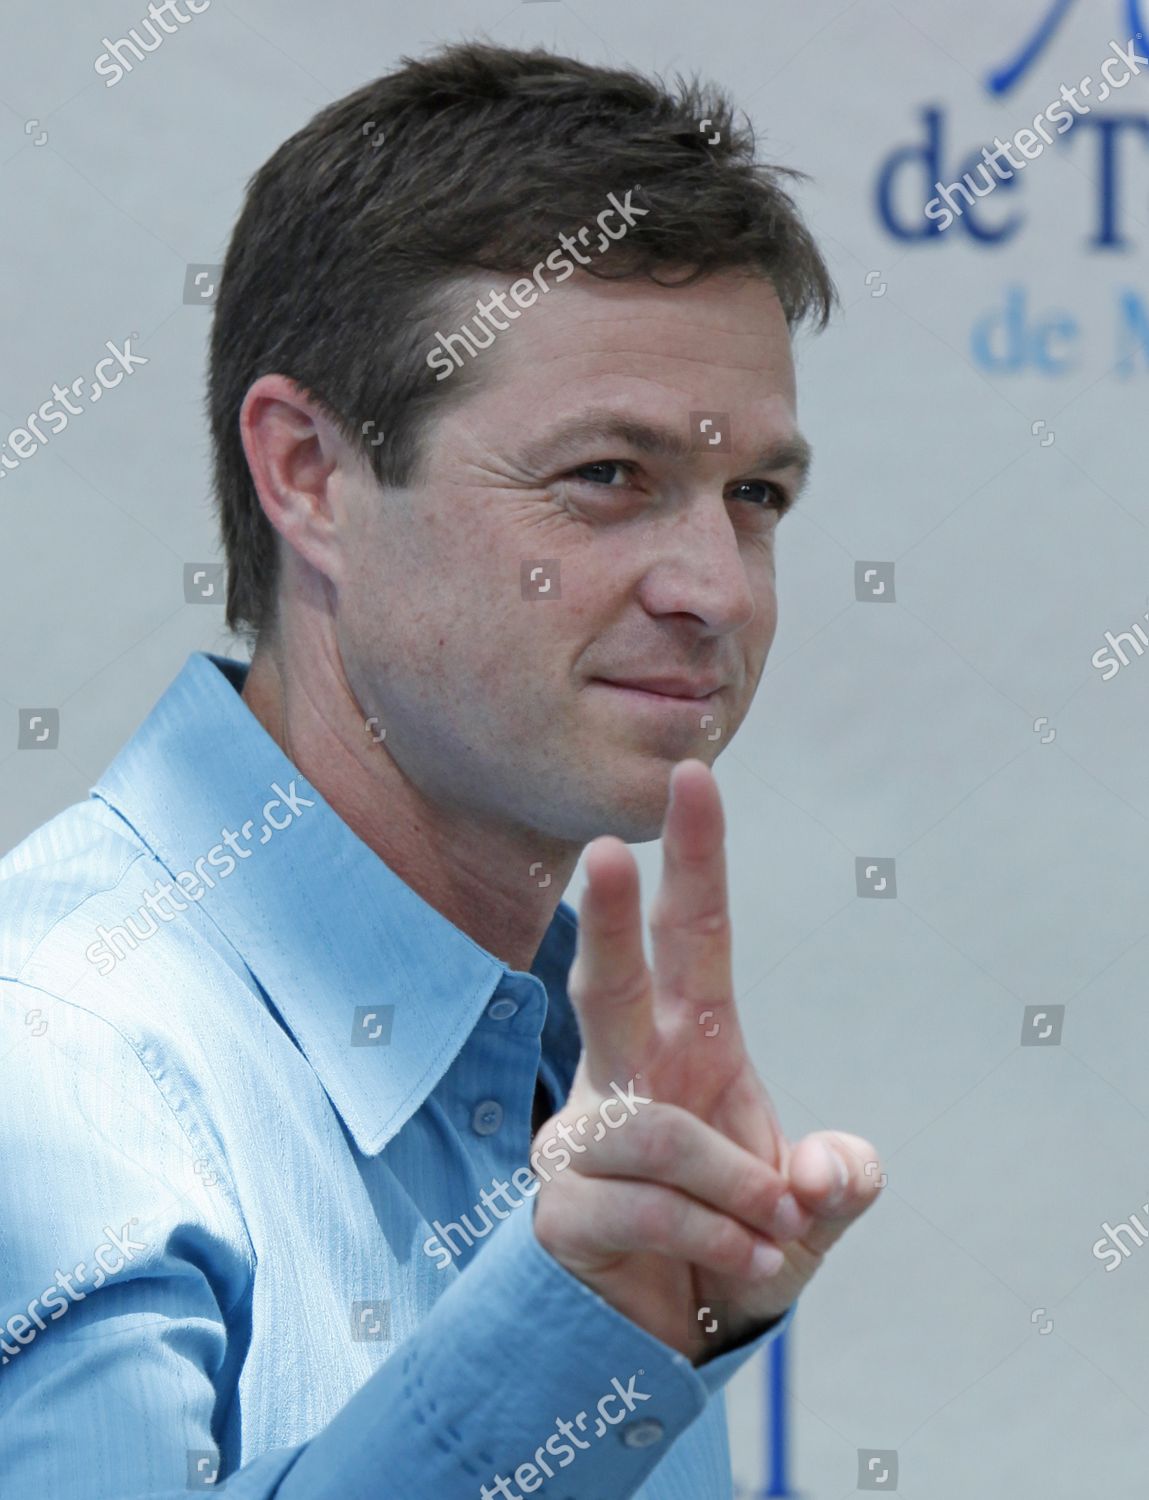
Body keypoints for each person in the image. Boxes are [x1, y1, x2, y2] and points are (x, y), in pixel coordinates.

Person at [0, 38, 881, 1499]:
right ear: (309, 475)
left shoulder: (579, 1068)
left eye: (755, 497)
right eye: (608, 475)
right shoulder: (53, 1069)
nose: (716, 588)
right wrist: (572, 1332)